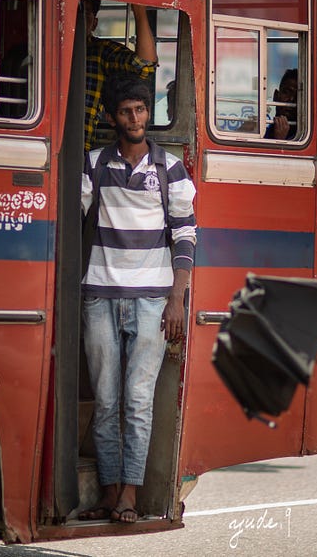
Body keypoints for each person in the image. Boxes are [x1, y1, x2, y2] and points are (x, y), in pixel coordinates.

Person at [79, 74, 196, 524]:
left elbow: (185, 234)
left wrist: (177, 299)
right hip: (99, 295)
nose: (136, 119)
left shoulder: (169, 169)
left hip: (153, 300)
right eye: (127, 111)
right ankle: (109, 492)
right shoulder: (93, 164)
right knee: (106, 399)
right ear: (113, 116)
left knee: (137, 400)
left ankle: (130, 494)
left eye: (142, 110)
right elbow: (71, 216)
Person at [84, 0, 157, 150]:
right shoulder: (37, 45)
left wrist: (139, 10)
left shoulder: (100, 51)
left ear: (94, 24)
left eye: (84, 13)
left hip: (79, 149)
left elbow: (145, 66)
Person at [265, 67, 297, 139]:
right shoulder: (263, 128)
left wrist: (279, 142)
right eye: (286, 92)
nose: (291, 99)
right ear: (275, 96)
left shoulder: (301, 138)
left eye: (298, 96)